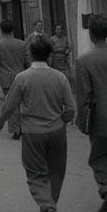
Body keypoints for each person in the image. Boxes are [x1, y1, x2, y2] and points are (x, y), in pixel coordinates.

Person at [0, 38, 75, 212]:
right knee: (56, 171)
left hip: (32, 132)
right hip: (57, 131)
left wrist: (1, 122)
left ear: (30, 55)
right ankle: (50, 203)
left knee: (35, 173)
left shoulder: (23, 78)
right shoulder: (60, 77)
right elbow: (71, 108)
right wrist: (62, 120)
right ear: (49, 55)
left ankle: (47, 205)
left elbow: (9, 105)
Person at [76, 14, 107, 212]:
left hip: (100, 120)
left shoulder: (84, 61)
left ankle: (106, 189)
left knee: (99, 157)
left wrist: (82, 123)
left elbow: (83, 97)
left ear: (91, 35)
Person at [0, 19, 29, 139]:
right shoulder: (22, 44)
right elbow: (27, 62)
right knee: (23, 103)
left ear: (1, 30)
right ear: (13, 30)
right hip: (22, 77)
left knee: (11, 104)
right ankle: (24, 126)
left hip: (6, 79)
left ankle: (16, 129)